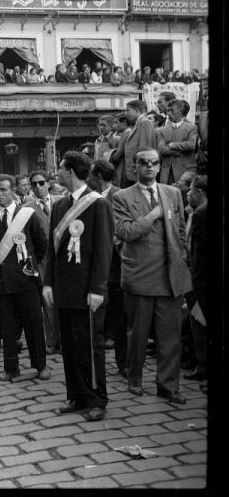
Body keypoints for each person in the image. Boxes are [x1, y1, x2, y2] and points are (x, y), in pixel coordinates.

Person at [113, 148, 192, 405]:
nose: (149, 166)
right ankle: (134, 378)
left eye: (153, 163)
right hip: (140, 275)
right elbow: (125, 232)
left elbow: (180, 230)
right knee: (137, 333)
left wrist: (180, 257)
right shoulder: (122, 197)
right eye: (143, 163)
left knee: (170, 336)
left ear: (159, 167)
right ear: (135, 167)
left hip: (170, 275)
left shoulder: (172, 193)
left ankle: (168, 385)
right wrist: (152, 215)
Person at [42, 151, 114, 422]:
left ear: (70, 172)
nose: (56, 173)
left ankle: (96, 399)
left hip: (87, 291)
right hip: (64, 289)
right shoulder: (60, 205)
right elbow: (53, 249)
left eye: (60, 169)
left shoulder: (98, 205)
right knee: (70, 346)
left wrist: (98, 289)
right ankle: (76, 395)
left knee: (90, 347)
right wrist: (48, 283)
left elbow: (104, 251)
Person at [0, 174, 50, 382]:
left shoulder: (27, 215)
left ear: (13, 190)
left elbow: (41, 245)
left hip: (26, 280)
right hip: (3, 281)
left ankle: (40, 365)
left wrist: (30, 265)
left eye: (4, 190)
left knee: (33, 324)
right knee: (7, 326)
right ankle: (11, 367)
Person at [88, 160, 127, 377]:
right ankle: (97, 365)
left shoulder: (121, 195)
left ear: (99, 176)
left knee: (120, 318)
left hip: (117, 267)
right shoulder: (88, 198)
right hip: (95, 270)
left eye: (91, 175)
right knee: (97, 320)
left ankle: (123, 363)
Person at [27, 169, 64, 355]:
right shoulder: (27, 207)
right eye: (34, 184)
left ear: (48, 183)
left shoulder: (61, 202)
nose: (38, 187)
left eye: (41, 183)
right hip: (42, 259)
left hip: (64, 257)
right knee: (47, 299)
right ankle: (52, 340)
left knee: (64, 298)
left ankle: (65, 340)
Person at [184, 175, 207, 382]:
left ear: (199, 192)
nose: (187, 193)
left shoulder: (200, 214)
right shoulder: (194, 213)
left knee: (199, 323)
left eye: (190, 190)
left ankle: (203, 365)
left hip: (199, 280)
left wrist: (193, 283)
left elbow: (198, 255)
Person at [109, 100, 157, 188]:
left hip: (138, 172)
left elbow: (145, 150)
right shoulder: (138, 124)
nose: (126, 113)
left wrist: (141, 170)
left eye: (128, 110)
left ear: (137, 110)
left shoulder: (144, 123)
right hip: (133, 172)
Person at [156, 99, 198, 185]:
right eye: (168, 110)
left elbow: (191, 145)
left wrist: (172, 145)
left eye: (172, 110)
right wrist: (179, 151)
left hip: (185, 172)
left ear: (180, 111)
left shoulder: (191, 127)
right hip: (167, 173)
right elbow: (162, 149)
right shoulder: (162, 130)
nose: (169, 113)